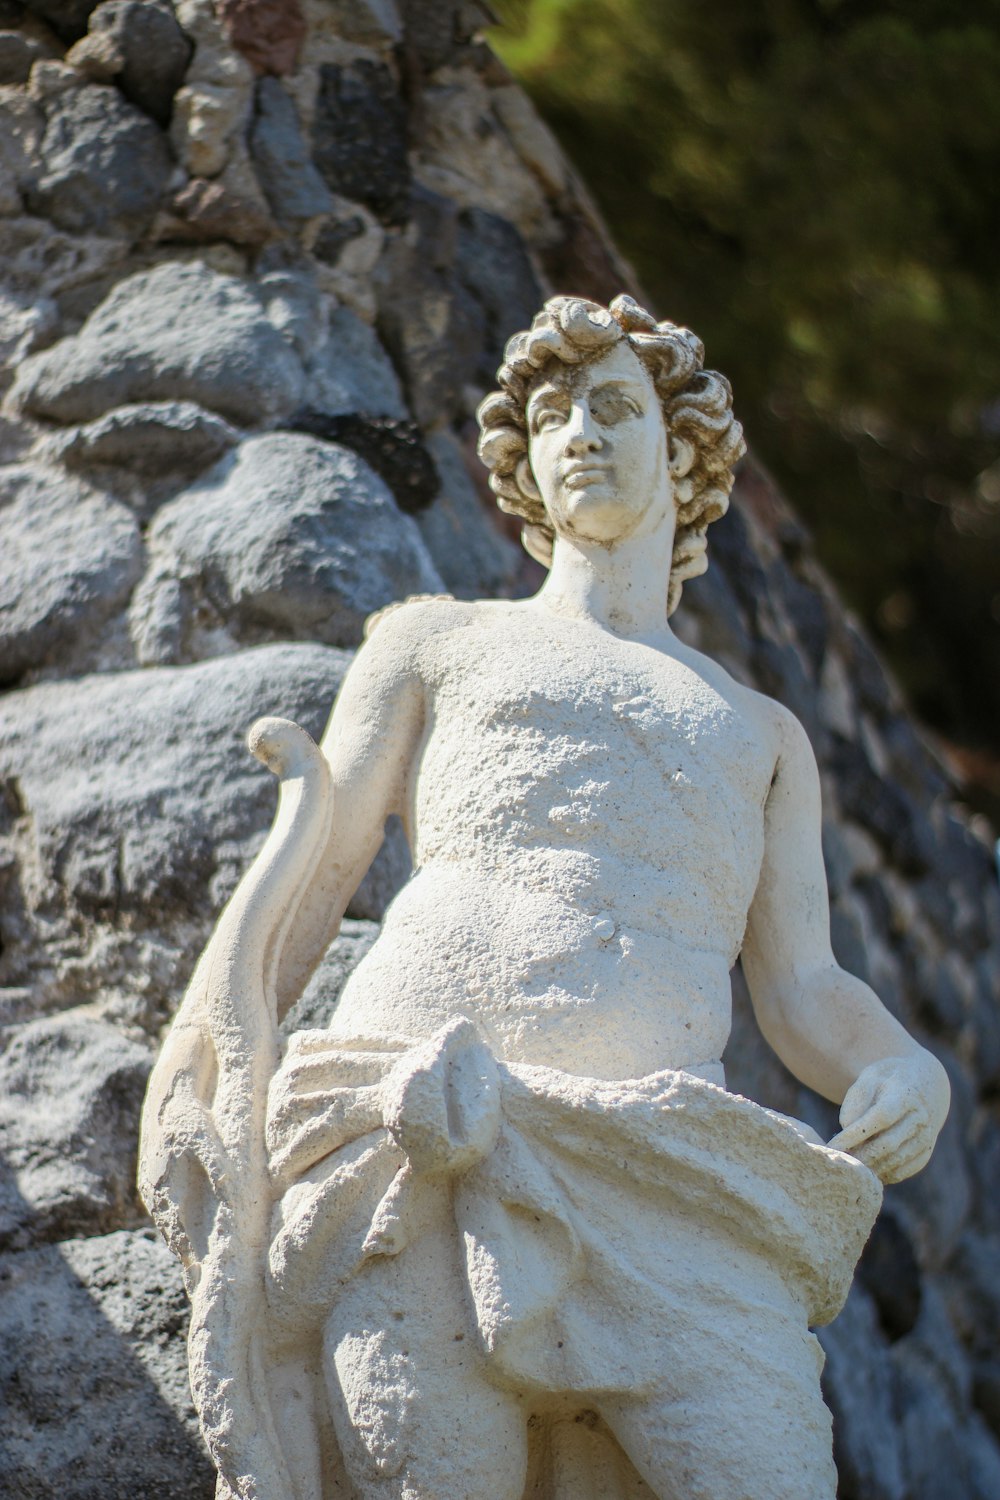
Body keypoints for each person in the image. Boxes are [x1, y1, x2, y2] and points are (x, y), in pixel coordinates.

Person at [141, 294, 950, 1500]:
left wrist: (902, 1066)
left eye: (613, 406)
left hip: (658, 1174)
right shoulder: (436, 644)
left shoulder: (761, 734)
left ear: (679, 452)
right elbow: (308, 883)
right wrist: (202, 1055)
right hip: (416, 1140)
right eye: (553, 414)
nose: (579, 430)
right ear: (522, 463)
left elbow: (802, 986)